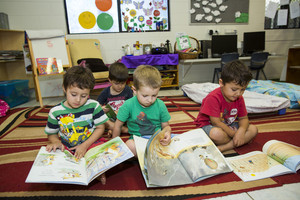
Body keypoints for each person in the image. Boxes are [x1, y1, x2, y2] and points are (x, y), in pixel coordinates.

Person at [44, 65, 108, 184]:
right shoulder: (55, 112)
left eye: (84, 96)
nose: (78, 100)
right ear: (64, 88)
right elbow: (51, 134)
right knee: (53, 160)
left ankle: (97, 170)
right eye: (73, 94)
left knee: (102, 154)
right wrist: (56, 142)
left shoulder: (94, 106)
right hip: (68, 147)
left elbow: (100, 128)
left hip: (91, 143)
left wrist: (84, 145)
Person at [194, 60, 258, 152]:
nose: (238, 93)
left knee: (253, 129)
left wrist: (241, 131)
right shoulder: (213, 97)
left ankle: (224, 147)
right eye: (234, 89)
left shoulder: (239, 98)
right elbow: (216, 123)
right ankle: (237, 142)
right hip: (209, 126)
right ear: (221, 83)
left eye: (242, 90)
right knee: (217, 134)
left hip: (229, 125)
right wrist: (234, 134)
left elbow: (243, 118)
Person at [112, 65, 171, 156]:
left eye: (154, 95)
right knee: (129, 145)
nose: (150, 100)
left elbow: (166, 126)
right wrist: (114, 144)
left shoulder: (160, 105)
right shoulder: (128, 105)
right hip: (138, 142)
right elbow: (117, 126)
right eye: (145, 96)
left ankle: (149, 156)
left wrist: (167, 133)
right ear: (135, 90)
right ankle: (149, 156)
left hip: (158, 141)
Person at [97, 62, 133, 133]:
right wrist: (103, 109)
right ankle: (122, 130)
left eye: (123, 83)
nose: (120, 86)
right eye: (116, 83)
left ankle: (113, 129)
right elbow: (97, 108)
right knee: (102, 120)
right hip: (111, 119)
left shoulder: (128, 90)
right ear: (110, 80)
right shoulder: (105, 92)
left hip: (124, 118)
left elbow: (132, 105)